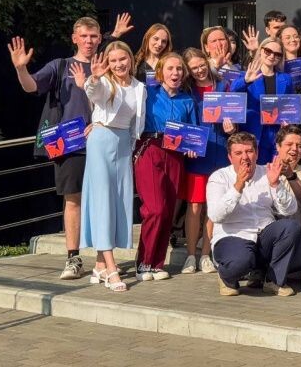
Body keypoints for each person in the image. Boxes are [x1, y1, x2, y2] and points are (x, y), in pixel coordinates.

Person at [8, 16, 109, 280]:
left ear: (100, 38)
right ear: (74, 38)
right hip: (71, 144)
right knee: (72, 200)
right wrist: (21, 69)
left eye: (93, 36)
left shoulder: (109, 64)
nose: (89, 41)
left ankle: (104, 261)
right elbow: (31, 86)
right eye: (84, 36)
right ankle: (73, 258)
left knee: (103, 201)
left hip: (105, 142)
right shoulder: (60, 66)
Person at [72, 42, 146, 292]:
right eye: (113, 61)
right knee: (103, 201)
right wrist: (94, 78)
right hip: (101, 140)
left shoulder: (140, 88)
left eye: (122, 59)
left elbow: (137, 123)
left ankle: (100, 265)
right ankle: (112, 269)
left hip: (124, 145)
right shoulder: (104, 82)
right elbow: (93, 93)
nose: (118, 64)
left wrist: (132, 146)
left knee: (118, 200)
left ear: (130, 59)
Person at [206, 132, 301, 297]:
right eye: (238, 153)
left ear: (256, 153)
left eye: (249, 151)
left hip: (263, 236)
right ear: (230, 157)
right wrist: (237, 187)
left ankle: (273, 280)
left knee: (291, 226)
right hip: (233, 237)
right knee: (242, 260)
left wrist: (275, 185)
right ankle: (226, 277)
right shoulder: (219, 178)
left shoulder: (267, 172)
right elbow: (215, 216)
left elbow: (290, 210)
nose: (245, 157)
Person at [135, 52, 199, 281]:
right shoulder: (147, 94)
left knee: (168, 209)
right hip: (150, 149)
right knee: (155, 209)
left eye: (179, 69)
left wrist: (192, 147)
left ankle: (156, 264)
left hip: (176, 156)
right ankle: (144, 262)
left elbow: (193, 132)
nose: (175, 73)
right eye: (170, 68)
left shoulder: (188, 101)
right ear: (160, 72)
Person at [180, 48, 236, 275]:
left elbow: (234, 116)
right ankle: (190, 255)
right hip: (197, 154)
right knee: (195, 205)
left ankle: (205, 254)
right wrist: (187, 144)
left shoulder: (223, 85)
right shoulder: (186, 90)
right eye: (193, 68)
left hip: (219, 151)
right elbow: (183, 120)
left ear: (207, 61)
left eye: (201, 65)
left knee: (213, 205)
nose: (199, 70)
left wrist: (232, 127)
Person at [230, 37, 294, 164]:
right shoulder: (247, 74)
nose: (272, 56)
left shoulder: (286, 78)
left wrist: (288, 120)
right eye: (268, 51)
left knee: (278, 170)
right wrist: (246, 81)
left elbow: (291, 104)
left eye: (277, 54)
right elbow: (233, 92)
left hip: (278, 133)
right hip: (254, 133)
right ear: (261, 50)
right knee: (255, 172)